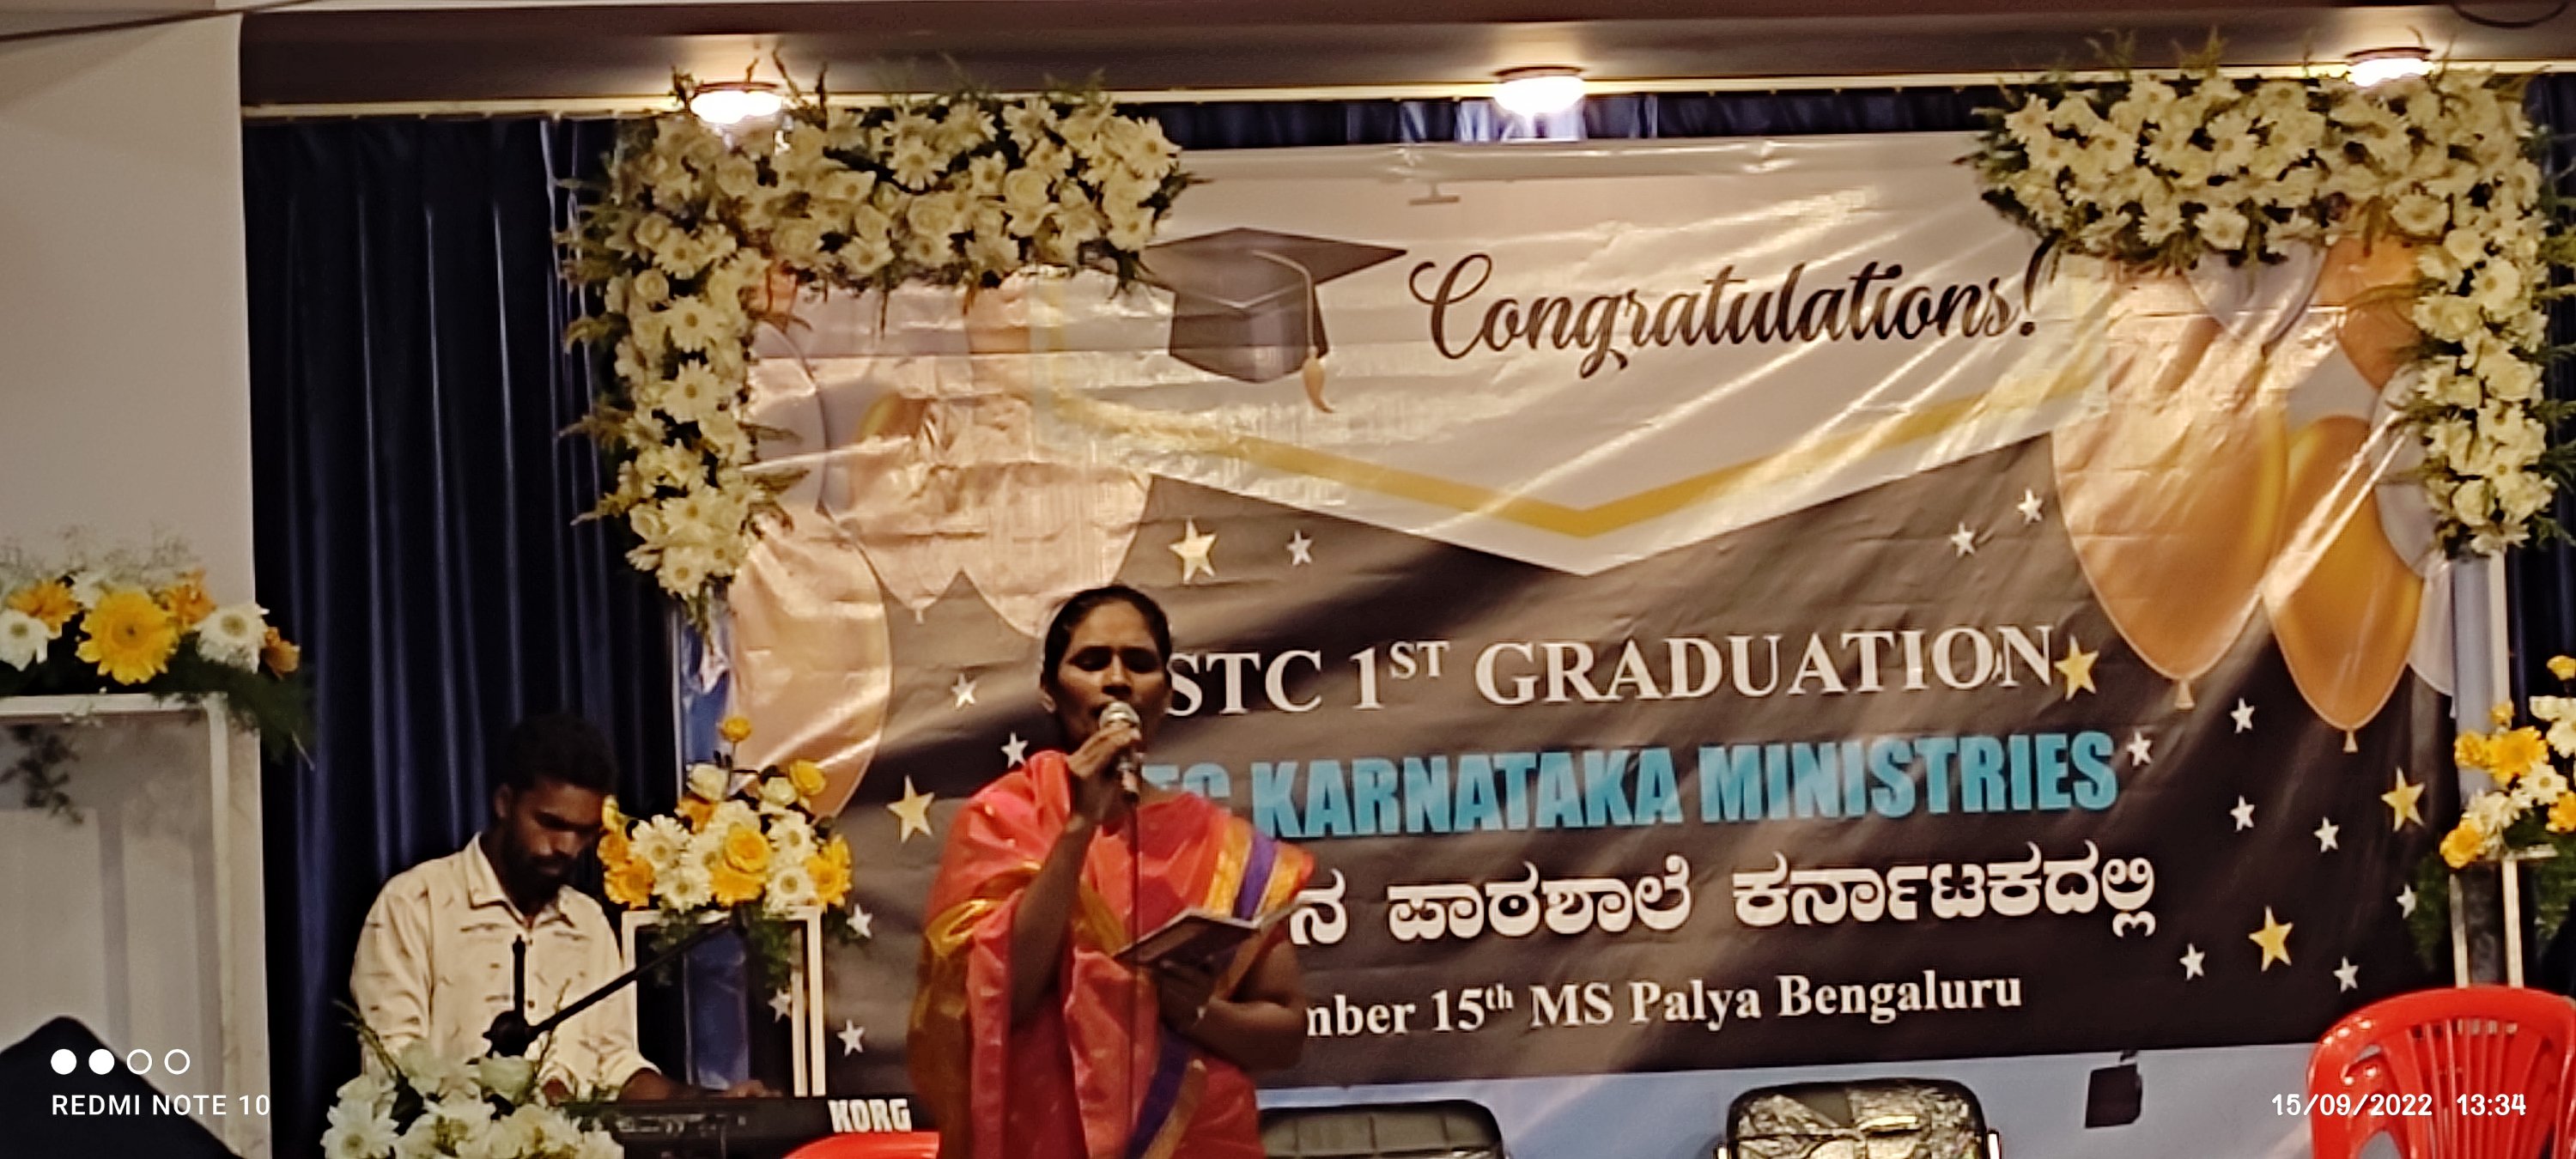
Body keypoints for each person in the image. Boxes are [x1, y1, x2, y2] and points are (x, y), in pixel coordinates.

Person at [909, 586, 1315, 1159]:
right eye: (1092, 661)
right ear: (1049, 690)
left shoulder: (1227, 849)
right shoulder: (1002, 820)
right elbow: (1001, 1000)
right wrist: (1079, 824)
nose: (1118, 680)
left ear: (1166, 693)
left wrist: (1200, 1013)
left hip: (1197, 1139)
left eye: (1140, 663)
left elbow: (1286, 1036)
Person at [349, 713, 759, 1100]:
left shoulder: (586, 921)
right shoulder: (416, 903)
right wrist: (517, 1102)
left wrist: (709, 1102)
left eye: (583, 833)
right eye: (551, 824)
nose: (566, 847)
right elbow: (392, 1067)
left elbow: (616, 1067)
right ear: (505, 803)